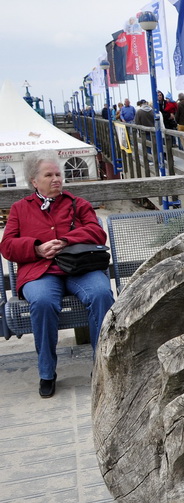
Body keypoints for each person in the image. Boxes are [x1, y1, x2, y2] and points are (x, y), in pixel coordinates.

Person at [0, 152, 114, 398]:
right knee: (42, 302)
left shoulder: (77, 203)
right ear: (34, 181)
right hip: (39, 272)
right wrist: (37, 248)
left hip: (79, 269)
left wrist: (64, 240)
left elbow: (97, 233)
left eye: (58, 174)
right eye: (49, 175)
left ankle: (102, 366)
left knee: (102, 293)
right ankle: (47, 372)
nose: (56, 179)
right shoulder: (20, 209)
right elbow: (7, 246)